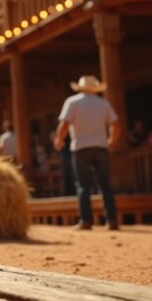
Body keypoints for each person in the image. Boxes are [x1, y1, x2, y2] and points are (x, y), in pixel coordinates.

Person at [54, 75, 121, 231]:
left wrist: (59, 139)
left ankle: (86, 221)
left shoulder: (72, 102)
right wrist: (112, 140)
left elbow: (65, 123)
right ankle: (111, 220)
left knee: (83, 186)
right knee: (105, 184)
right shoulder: (103, 103)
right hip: (100, 146)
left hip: (80, 147)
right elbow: (116, 124)